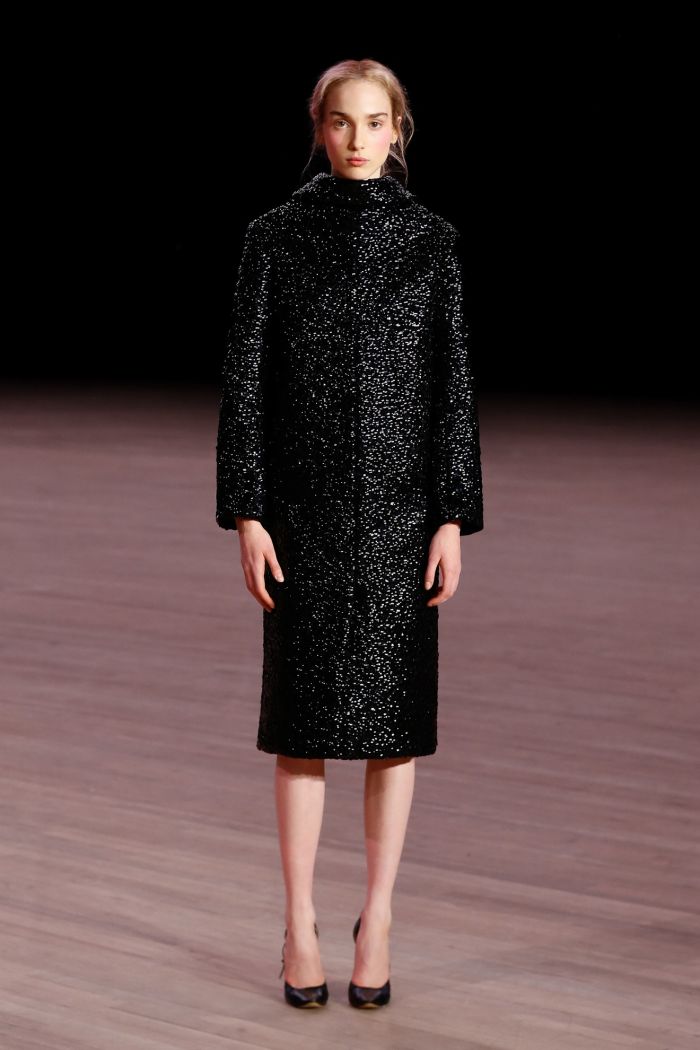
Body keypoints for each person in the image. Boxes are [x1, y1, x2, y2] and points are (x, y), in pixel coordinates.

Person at [215, 58, 484, 1009]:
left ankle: (380, 915)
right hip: (304, 516)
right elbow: (245, 384)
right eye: (342, 121)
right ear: (319, 128)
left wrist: (452, 517)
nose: (359, 139)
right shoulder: (274, 238)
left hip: (403, 519)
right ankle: (298, 922)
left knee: (391, 729)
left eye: (376, 122)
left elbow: (453, 388)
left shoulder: (432, 243)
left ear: (399, 129)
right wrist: (247, 512)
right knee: (301, 727)